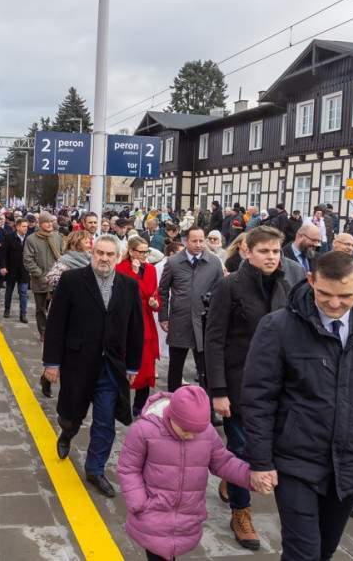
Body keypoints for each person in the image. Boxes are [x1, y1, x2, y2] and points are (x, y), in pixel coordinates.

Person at [242, 251, 353, 561]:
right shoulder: (278, 327)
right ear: (311, 280)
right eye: (325, 293)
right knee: (303, 554)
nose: (334, 303)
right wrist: (260, 461)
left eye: (345, 296)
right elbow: (258, 398)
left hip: (351, 462)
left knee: (325, 551)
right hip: (296, 461)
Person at [203, 226, 294, 550]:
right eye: (264, 251)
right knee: (242, 448)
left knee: (265, 446)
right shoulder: (229, 286)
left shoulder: (284, 285)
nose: (271, 257)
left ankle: (230, 476)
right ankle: (241, 512)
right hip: (238, 384)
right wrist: (218, 390)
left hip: (276, 385)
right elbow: (214, 339)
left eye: (275, 251)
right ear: (247, 251)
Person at [43, 234, 146, 498]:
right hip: (77, 363)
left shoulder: (128, 285)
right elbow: (56, 324)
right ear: (92, 253)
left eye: (110, 254)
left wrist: (132, 366)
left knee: (105, 423)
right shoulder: (72, 280)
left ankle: (95, 469)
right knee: (70, 413)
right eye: (100, 252)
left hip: (110, 368)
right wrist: (52, 363)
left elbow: (136, 329)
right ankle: (68, 431)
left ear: (117, 257)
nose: (104, 258)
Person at [117, 386, 269, 561]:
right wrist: (138, 502)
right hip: (153, 514)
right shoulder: (144, 430)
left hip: (187, 516)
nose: (191, 436)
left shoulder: (207, 433)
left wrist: (251, 478)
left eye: (197, 432)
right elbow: (128, 468)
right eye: (186, 431)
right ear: (172, 416)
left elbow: (224, 462)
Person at [158, 227, 224, 392]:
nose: (198, 244)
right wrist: (163, 316)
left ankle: (207, 403)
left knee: (205, 368)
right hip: (180, 321)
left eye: (201, 241)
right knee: (176, 366)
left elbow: (221, 290)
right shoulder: (173, 262)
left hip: (204, 321)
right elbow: (163, 291)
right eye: (194, 241)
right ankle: (173, 400)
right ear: (185, 241)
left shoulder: (214, 262)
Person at [117, 236, 161, 417]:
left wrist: (155, 304)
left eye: (146, 252)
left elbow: (155, 293)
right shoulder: (121, 268)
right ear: (131, 252)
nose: (144, 255)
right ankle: (123, 404)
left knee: (147, 363)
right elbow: (125, 292)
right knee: (127, 358)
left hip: (146, 318)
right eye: (141, 252)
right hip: (127, 318)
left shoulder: (150, 269)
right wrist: (134, 273)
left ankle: (140, 404)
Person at [23, 212, 65, 340]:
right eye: (47, 222)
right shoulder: (31, 239)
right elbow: (28, 260)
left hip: (57, 278)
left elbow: (64, 254)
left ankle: (55, 330)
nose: (50, 224)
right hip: (40, 279)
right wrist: (39, 273)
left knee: (57, 307)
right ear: (40, 224)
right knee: (40, 308)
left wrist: (60, 271)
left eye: (51, 221)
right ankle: (43, 332)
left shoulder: (57, 237)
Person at [0, 217, 30, 322]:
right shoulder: (9, 237)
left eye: (26, 226)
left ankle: (23, 314)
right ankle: (7, 309)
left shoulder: (29, 238)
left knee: (23, 292)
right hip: (11, 268)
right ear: (17, 227)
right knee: (9, 291)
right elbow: (3, 254)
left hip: (24, 269)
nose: (26, 228)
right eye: (23, 226)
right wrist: (3, 266)